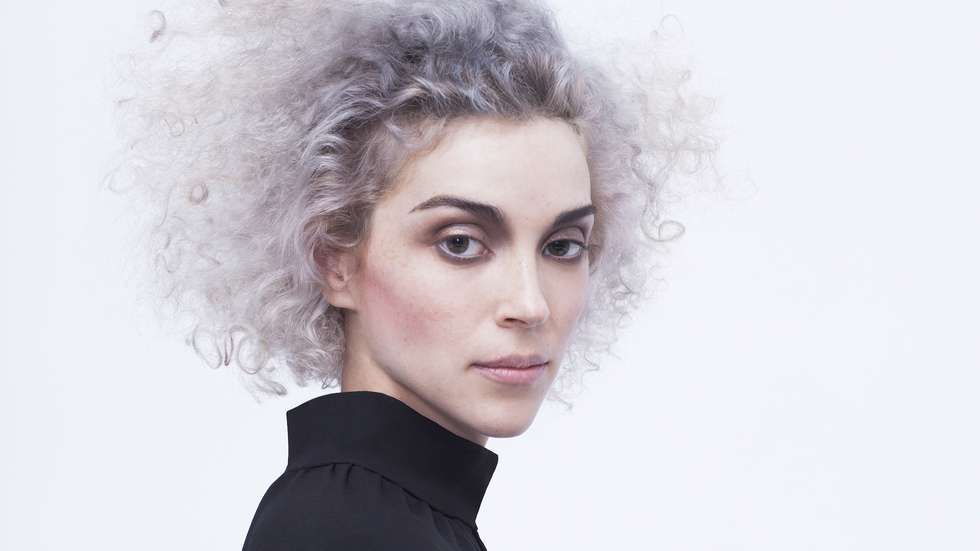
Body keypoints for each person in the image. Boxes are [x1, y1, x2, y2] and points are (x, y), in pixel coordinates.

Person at [103, 0, 718, 548]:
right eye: (460, 243)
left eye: (561, 246)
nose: (530, 304)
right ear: (334, 260)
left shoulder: (391, 515)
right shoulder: (346, 528)